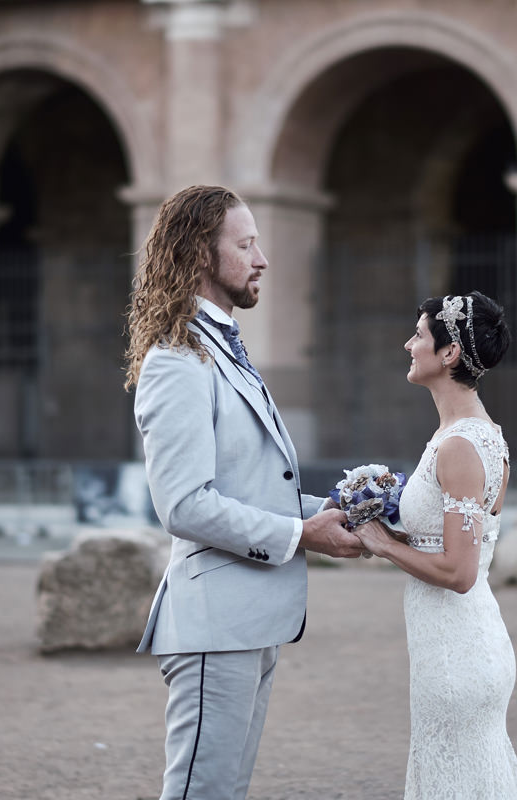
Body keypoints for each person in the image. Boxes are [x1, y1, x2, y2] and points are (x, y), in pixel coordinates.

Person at [124, 185, 363, 800]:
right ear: (201, 254)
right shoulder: (177, 359)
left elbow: (251, 485)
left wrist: (337, 513)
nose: (261, 259)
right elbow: (185, 505)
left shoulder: (223, 348)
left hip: (248, 622)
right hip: (213, 629)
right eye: (246, 244)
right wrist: (298, 534)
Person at [353, 291, 517, 799]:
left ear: (449, 354)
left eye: (420, 336)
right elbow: (454, 542)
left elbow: (460, 571)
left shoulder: (459, 445)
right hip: (462, 641)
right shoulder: (481, 436)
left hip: (458, 654)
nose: (409, 345)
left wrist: (384, 543)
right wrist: (385, 525)